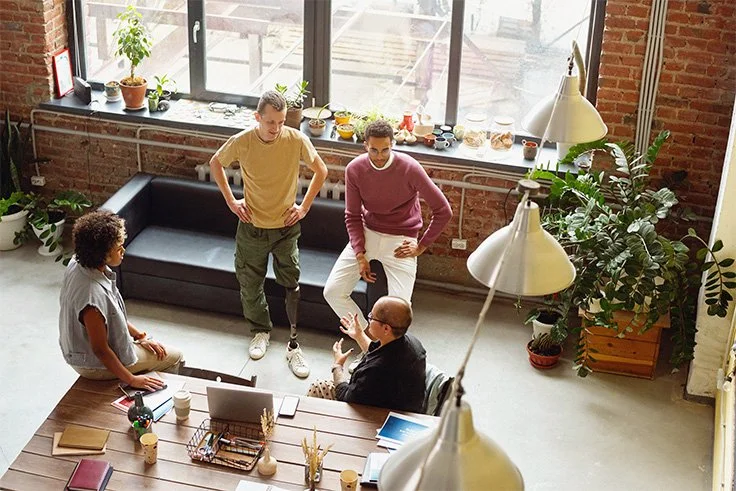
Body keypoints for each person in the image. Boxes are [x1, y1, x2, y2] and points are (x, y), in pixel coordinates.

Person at [209, 90, 328, 378]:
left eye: (282, 121)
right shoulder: (243, 141)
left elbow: (321, 171)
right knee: (250, 284)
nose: (276, 128)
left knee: (291, 283)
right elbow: (216, 163)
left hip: (286, 228)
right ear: (257, 118)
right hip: (252, 227)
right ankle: (260, 331)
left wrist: (304, 208)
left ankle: (294, 343)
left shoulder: (296, 139)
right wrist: (231, 201)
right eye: (271, 122)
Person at [323, 119, 451, 369]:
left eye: (385, 150)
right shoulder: (355, 169)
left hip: (402, 239)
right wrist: (360, 254)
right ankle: (370, 345)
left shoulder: (409, 167)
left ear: (393, 145)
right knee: (333, 291)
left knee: (400, 310)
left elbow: (443, 210)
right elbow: (352, 215)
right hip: (370, 232)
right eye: (373, 150)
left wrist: (421, 246)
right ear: (365, 146)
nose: (379, 156)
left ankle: (384, 357)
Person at [59, 210, 183, 389]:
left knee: (154, 349)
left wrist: (140, 337)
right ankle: (156, 397)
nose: (123, 251)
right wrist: (132, 380)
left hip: (78, 352)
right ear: (103, 255)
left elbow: (112, 315)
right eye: (119, 248)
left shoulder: (77, 264)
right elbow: (100, 350)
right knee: (174, 357)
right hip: (93, 365)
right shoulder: (92, 297)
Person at [307, 296, 426, 413]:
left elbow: (346, 396)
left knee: (318, 387)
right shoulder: (412, 343)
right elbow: (377, 352)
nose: (369, 319)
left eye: (372, 317)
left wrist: (337, 366)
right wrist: (359, 336)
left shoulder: (377, 370)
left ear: (386, 328)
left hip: (379, 415)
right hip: (402, 404)